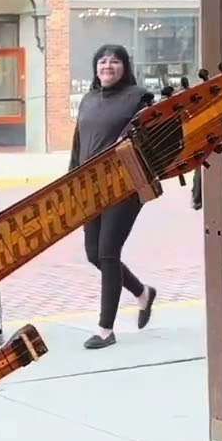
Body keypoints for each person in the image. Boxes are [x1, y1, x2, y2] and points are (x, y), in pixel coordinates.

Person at [69, 44, 158, 349]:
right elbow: (78, 145)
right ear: (95, 67)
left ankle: (105, 329)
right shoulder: (89, 99)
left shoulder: (138, 97)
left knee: (108, 251)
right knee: (94, 253)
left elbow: (153, 136)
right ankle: (143, 292)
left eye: (115, 61)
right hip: (89, 186)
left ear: (125, 66)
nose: (108, 66)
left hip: (125, 185)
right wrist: (70, 183)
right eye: (102, 61)